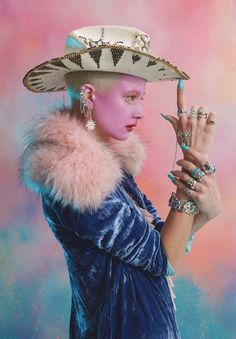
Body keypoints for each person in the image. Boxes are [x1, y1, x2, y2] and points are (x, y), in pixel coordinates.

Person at [19, 25, 221, 338]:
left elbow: (162, 244)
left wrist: (203, 212)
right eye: (130, 98)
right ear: (89, 94)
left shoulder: (110, 168)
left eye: (141, 98)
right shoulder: (75, 177)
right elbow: (161, 257)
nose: (140, 112)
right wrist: (192, 161)